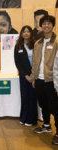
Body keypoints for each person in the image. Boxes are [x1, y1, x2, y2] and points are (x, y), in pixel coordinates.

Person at [30, 15, 58, 145]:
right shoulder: (38, 43)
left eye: (49, 23)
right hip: (39, 79)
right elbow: (35, 62)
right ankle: (46, 125)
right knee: (43, 104)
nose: (46, 26)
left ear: (53, 25)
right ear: (41, 26)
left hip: (51, 80)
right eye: (44, 23)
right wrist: (34, 77)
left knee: (54, 106)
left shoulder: (56, 41)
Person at [14, 25, 37, 126]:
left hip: (35, 75)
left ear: (31, 33)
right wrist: (26, 75)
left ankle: (31, 120)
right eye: (24, 31)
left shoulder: (35, 45)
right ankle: (23, 117)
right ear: (21, 33)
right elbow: (17, 63)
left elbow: (38, 60)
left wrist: (33, 75)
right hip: (23, 76)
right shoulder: (18, 46)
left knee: (32, 97)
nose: (26, 33)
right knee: (24, 96)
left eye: (28, 31)